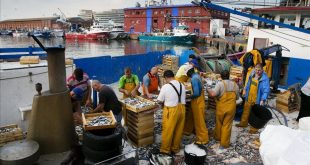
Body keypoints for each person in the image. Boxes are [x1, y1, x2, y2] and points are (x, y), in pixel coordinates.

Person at [154, 70, 186, 162]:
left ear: (166, 78)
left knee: (168, 131)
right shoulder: (181, 85)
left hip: (171, 111)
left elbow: (159, 100)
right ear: (173, 76)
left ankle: (165, 150)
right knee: (178, 130)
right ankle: (175, 149)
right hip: (182, 109)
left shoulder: (166, 86)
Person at [206, 70, 239, 148]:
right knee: (227, 125)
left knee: (219, 122)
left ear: (220, 76)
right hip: (231, 108)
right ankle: (224, 144)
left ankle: (217, 137)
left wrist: (208, 89)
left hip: (221, 108)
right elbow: (237, 97)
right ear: (229, 76)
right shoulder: (235, 85)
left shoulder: (220, 84)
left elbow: (213, 94)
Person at [236, 63, 270, 133]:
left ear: (262, 70)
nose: (257, 72)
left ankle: (254, 128)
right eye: (256, 70)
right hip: (249, 96)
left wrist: (263, 99)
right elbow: (248, 83)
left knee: (255, 114)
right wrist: (245, 89)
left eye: (259, 70)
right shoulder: (252, 74)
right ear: (254, 69)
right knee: (246, 110)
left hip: (257, 99)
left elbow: (266, 90)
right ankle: (243, 123)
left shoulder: (264, 78)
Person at [185, 68, 209, 145]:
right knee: (191, 116)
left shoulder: (194, 79)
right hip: (199, 101)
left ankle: (203, 139)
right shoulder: (197, 76)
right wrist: (188, 92)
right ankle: (187, 130)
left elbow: (196, 93)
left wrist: (187, 97)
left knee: (199, 121)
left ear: (189, 73)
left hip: (197, 102)